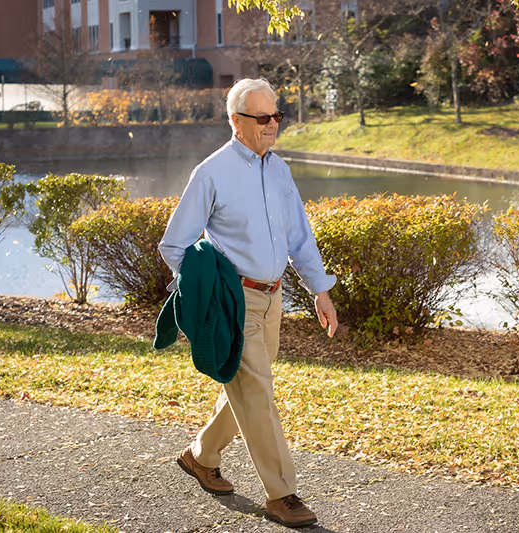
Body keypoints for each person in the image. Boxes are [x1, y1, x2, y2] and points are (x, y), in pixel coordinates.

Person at [158, 77, 338, 528]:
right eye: (262, 117)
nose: (272, 124)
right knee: (257, 394)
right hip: (232, 301)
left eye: (277, 115)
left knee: (245, 392)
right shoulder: (212, 172)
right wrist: (204, 294)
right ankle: (283, 495)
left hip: (272, 296)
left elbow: (299, 233)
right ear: (236, 121)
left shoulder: (278, 169)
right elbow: (174, 245)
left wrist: (321, 290)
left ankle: (201, 456)